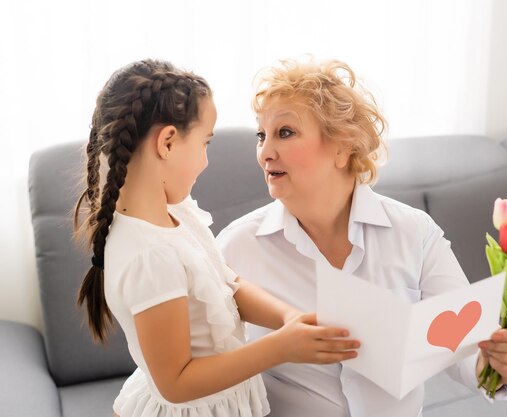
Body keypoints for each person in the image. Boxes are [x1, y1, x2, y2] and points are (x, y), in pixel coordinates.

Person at [216, 58, 507, 417]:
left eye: (285, 132)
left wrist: (502, 362)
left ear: (342, 147)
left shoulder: (415, 233)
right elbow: (205, 369)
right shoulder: (235, 247)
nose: (265, 152)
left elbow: (466, 353)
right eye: (261, 135)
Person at [73, 59, 360, 417]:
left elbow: (227, 283)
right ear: (167, 142)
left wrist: (289, 317)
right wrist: (280, 348)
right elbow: (176, 383)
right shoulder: (151, 255)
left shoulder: (177, 214)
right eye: (205, 142)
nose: (206, 161)